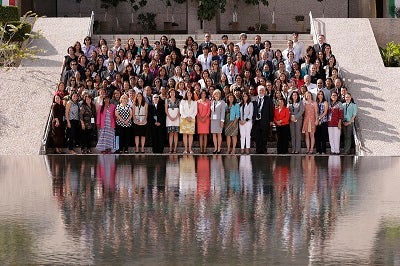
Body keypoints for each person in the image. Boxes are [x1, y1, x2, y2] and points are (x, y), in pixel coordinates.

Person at [252, 85, 274, 154]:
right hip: (256, 121)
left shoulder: (268, 99)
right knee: (257, 136)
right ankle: (258, 150)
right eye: (260, 90)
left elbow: (271, 110)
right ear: (257, 91)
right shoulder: (253, 99)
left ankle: (264, 150)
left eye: (262, 90)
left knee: (264, 136)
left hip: (265, 120)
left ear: (264, 91)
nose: (261, 91)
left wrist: (271, 120)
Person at [179, 89, 198, 154]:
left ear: (192, 94)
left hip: (192, 119)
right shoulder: (182, 101)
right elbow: (181, 111)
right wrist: (187, 117)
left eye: (190, 93)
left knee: (190, 134)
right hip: (184, 119)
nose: (189, 94)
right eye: (188, 93)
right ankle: (185, 149)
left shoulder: (194, 102)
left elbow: (195, 111)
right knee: (185, 134)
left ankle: (190, 149)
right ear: (186, 94)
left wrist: (190, 117)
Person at [210, 89, 226, 154]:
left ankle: (219, 148)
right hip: (213, 120)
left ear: (220, 95)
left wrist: (222, 121)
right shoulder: (212, 102)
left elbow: (223, 112)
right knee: (214, 134)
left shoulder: (222, 102)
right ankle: (215, 148)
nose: (216, 95)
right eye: (215, 94)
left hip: (219, 120)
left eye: (218, 93)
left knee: (219, 134)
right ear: (213, 95)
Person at [165, 89, 180, 153]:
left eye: (173, 92)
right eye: (171, 92)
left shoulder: (178, 100)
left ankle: (175, 149)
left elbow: (179, 110)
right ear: (169, 93)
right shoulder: (167, 100)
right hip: (169, 119)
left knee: (176, 134)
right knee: (171, 134)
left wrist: (176, 117)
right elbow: (166, 110)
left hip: (177, 118)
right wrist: (170, 117)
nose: (172, 93)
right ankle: (170, 148)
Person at [197, 89, 211, 154]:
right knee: (200, 135)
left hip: (206, 119)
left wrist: (205, 118)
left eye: (204, 93)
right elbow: (196, 111)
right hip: (199, 120)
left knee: (205, 134)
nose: (203, 94)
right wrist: (200, 118)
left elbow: (209, 111)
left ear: (206, 94)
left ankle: (205, 149)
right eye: (202, 93)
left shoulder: (208, 102)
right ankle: (201, 149)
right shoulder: (197, 102)